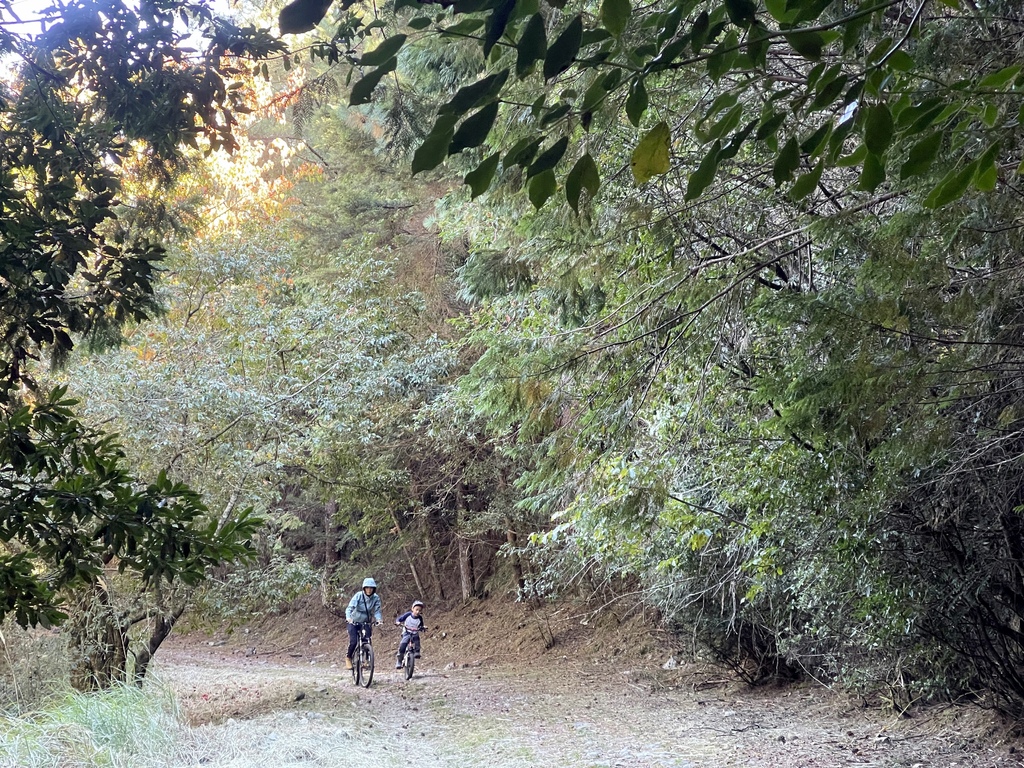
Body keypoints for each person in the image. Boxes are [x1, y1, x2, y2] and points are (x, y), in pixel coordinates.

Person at [345, 577, 383, 670]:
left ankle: (366, 660)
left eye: (371, 588)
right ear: (364, 588)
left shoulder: (376, 598)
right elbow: (350, 608)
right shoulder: (358, 595)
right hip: (354, 621)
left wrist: (379, 619)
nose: (369, 590)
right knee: (353, 641)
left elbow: (377, 611)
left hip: (366, 622)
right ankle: (348, 657)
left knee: (367, 640)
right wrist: (348, 618)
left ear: (374, 589)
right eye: (367, 588)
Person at [395, 599, 426, 669]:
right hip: (406, 632)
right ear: (412, 609)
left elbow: (421, 625)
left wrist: (423, 628)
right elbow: (399, 619)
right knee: (403, 645)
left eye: (420, 610)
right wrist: (398, 622)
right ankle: (399, 661)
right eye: (416, 609)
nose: (418, 612)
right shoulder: (408, 615)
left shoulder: (420, 618)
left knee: (417, 640)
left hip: (414, 632)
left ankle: (417, 652)